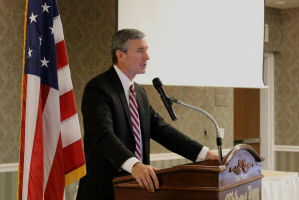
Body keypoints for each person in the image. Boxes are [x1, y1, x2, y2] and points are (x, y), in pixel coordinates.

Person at [76, 29, 218, 200]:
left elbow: (161, 130)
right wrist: (134, 165)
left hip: (137, 190)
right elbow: (103, 135)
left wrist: (204, 154)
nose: (147, 57)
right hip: (105, 190)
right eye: (140, 51)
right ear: (120, 55)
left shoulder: (139, 92)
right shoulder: (98, 88)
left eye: (147, 50)